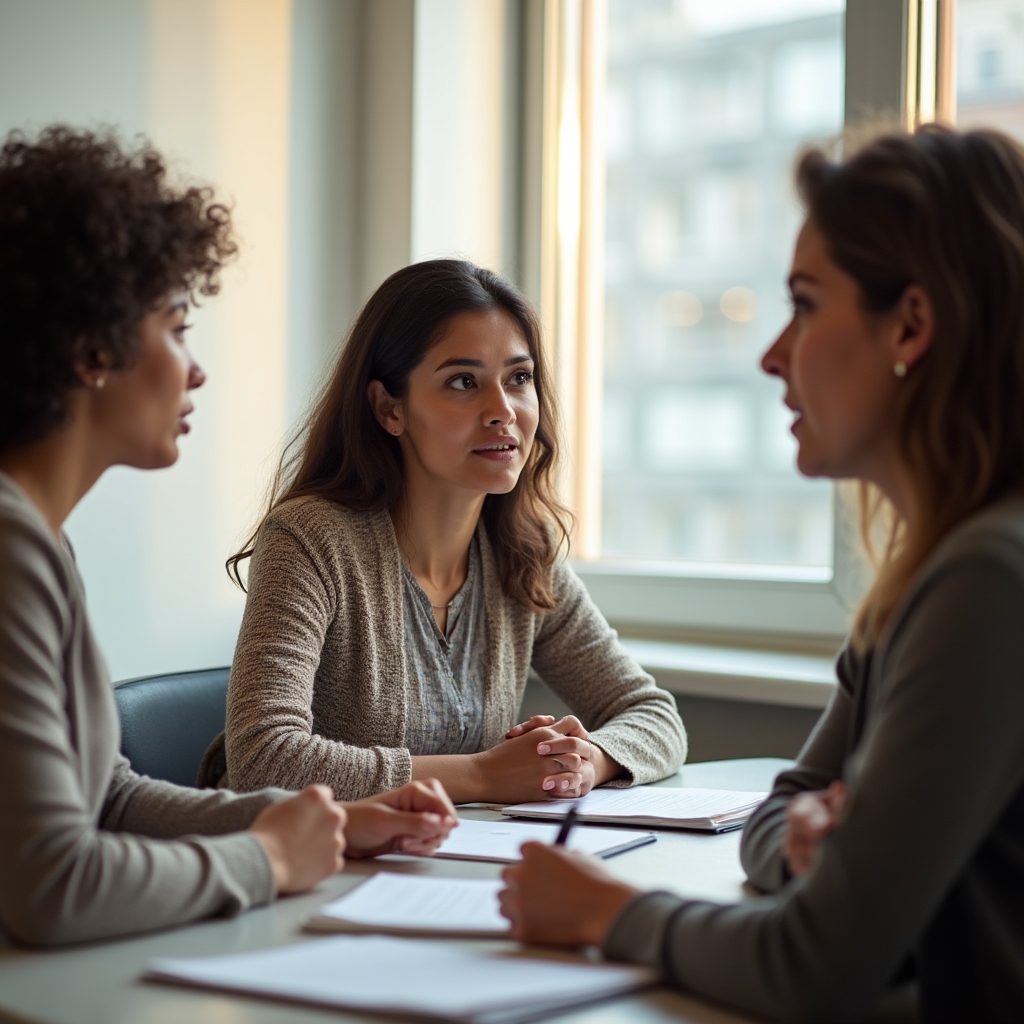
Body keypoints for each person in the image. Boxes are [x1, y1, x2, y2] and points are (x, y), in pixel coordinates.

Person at [498, 124, 1024, 1024]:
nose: (772, 355)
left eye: (806, 305)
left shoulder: (989, 582)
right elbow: (784, 801)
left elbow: (809, 971)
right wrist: (811, 852)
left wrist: (606, 911)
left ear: (911, 324)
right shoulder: (922, 576)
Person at [0, 127, 457, 948]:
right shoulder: (8, 548)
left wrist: (322, 822)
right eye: (177, 329)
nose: (196, 369)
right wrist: (266, 860)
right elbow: (53, 886)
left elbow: (105, 799)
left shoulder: (38, 539)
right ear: (91, 348)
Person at [209, 259, 686, 804]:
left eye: (519, 379)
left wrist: (585, 761)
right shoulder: (310, 540)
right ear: (389, 408)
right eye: (464, 382)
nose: (502, 411)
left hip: (453, 866)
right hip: (312, 870)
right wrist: (483, 776)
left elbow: (653, 715)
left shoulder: (523, 553)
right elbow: (263, 758)